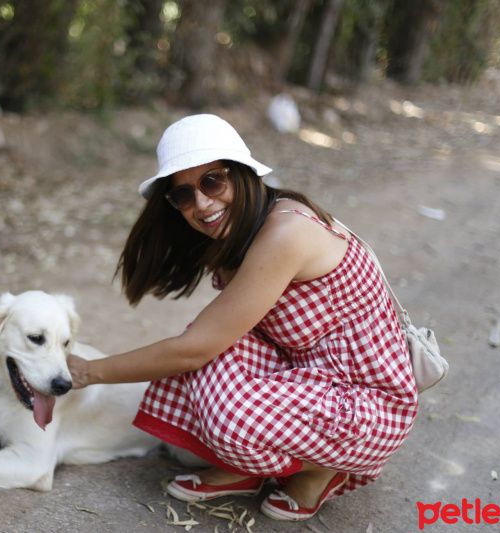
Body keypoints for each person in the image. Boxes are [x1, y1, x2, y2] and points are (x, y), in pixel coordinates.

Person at [67, 114, 418, 522]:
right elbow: (201, 345)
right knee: (208, 354)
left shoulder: (285, 233)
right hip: (310, 374)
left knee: (220, 396)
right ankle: (248, 469)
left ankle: (321, 468)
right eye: (182, 195)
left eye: (213, 180)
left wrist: (89, 372)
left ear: (244, 174)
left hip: (369, 407)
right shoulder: (243, 232)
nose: (201, 203)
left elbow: (191, 351)